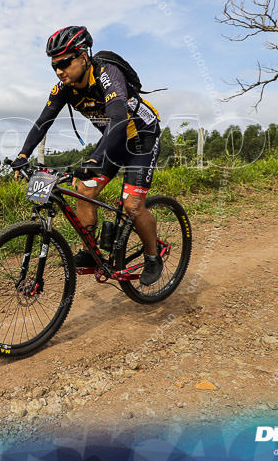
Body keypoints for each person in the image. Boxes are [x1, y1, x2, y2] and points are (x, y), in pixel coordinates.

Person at [11, 26, 164, 285]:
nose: (59, 70)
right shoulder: (64, 89)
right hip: (114, 141)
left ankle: (152, 256)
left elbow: (117, 119)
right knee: (83, 190)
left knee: (132, 205)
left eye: (65, 63)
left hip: (141, 138)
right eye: (54, 66)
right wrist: (22, 155)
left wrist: (94, 159)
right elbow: (42, 122)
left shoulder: (106, 74)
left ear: (83, 57)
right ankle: (91, 253)